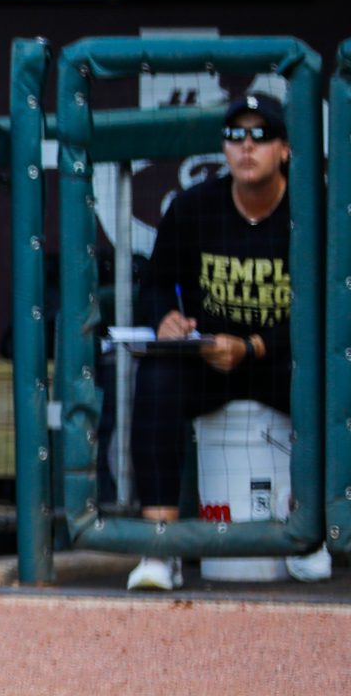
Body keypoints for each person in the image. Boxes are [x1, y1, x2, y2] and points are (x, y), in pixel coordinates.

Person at [124, 94, 329, 591]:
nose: (246, 146)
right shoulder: (195, 207)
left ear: (284, 150)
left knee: (328, 386)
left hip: (284, 361)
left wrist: (254, 346)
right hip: (210, 360)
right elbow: (152, 283)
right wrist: (167, 318)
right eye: (235, 135)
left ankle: (311, 535)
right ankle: (161, 548)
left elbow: (329, 310)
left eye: (261, 135)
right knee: (157, 379)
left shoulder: (315, 210)